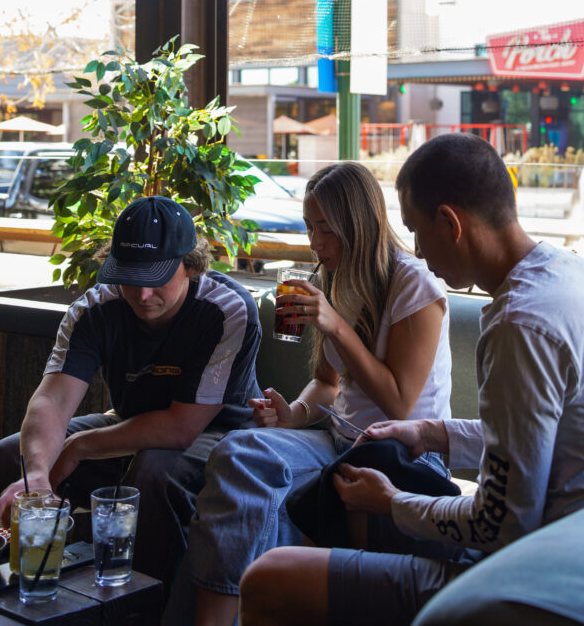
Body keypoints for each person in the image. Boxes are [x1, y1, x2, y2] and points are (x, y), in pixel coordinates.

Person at [238, 134, 584, 626]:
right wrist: (430, 433)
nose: (417, 251)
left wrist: (392, 501)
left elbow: (500, 522)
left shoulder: (521, 322)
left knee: (270, 577)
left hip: (542, 571)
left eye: (415, 230)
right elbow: (533, 439)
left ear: (450, 223)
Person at [170, 160, 454, 626]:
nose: (315, 243)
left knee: (248, 464)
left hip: (402, 451)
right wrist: (293, 414)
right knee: (237, 450)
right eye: (309, 227)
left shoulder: (412, 284)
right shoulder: (335, 279)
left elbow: (400, 402)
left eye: (326, 229)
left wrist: (335, 325)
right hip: (339, 441)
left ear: (358, 223)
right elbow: (327, 384)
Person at [0, 194, 262, 592]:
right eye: (131, 277)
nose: (142, 295)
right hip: (129, 425)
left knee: (155, 469)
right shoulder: (95, 309)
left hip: (221, 433)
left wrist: (77, 448)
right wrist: (37, 473)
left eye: (156, 277)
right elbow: (52, 400)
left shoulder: (227, 310)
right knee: (11, 455)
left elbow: (180, 429)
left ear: (190, 266)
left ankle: (139, 606)